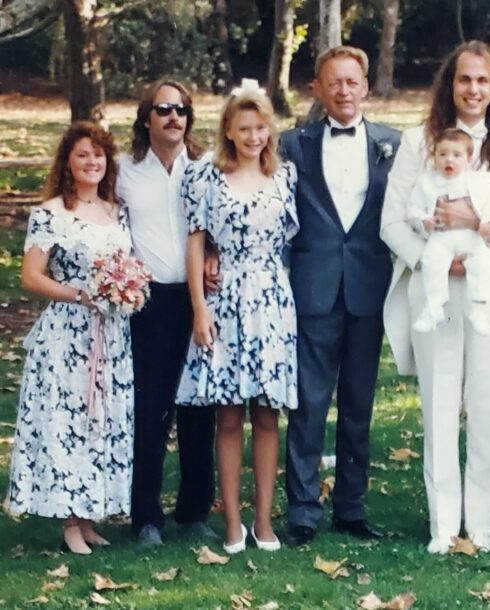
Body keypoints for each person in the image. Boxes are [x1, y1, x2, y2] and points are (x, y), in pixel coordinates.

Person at [381, 41, 490, 553]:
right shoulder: (417, 142)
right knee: (440, 408)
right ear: (451, 85)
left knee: (487, 407)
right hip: (437, 290)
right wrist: (439, 261)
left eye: (483, 81)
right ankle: (443, 526)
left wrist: (479, 229)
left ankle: (483, 526)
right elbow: (392, 222)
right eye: (465, 79)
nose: (473, 89)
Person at [280, 45, 401, 548]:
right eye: (334, 82)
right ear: (318, 89)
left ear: (366, 86)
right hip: (314, 286)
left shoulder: (393, 144)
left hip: (368, 289)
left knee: (358, 404)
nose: (344, 91)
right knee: (308, 403)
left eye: (352, 82)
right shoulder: (294, 145)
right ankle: (303, 509)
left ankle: (351, 506)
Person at [175, 81, 298, 554]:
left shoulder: (284, 176)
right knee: (227, 416)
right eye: (243, 127)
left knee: (267, 415)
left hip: (270, 299)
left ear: (270, 129)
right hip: (223, 302)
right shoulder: (206, 176)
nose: (253, 136)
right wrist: (199, 309)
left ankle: (264, 522)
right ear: (228, 129)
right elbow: (194, 242)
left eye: (260, 127)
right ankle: (231, 523)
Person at [5, 122, 134, 554]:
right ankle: (68, 523)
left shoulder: (118, 212)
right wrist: (80, 294)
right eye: (82, 155)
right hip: (68, 332)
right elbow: (31, 277)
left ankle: (88, 516)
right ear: (68, 162)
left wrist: (124, 289)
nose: (92, 162)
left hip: (111, 334)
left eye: (98, 155)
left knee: (101, 423)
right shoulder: (51, 213)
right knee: (69, 423)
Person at [116, 79, 216, 547]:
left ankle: (194, 511)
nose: (173, 117)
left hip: (201, 300)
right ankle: (146, 516)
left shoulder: (208, 167)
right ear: (146, 118)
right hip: (149, 302)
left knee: (199, 408)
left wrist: (216, 259)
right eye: (163, 109)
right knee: (151, 409)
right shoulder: (124, 171)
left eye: (181, 110)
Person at [410, 128, 490, 335]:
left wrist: (487, 222)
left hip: (470, 237)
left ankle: (478, 308)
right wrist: (424, 221)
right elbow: (412, 208)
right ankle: (433, 307)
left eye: (456, 155)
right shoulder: (426, 183)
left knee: (481, 262)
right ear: (434, 157)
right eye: (443, 154)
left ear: (468, 159)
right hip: (441, 237)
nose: (449, 160)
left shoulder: (481, 182)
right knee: (432, 262)